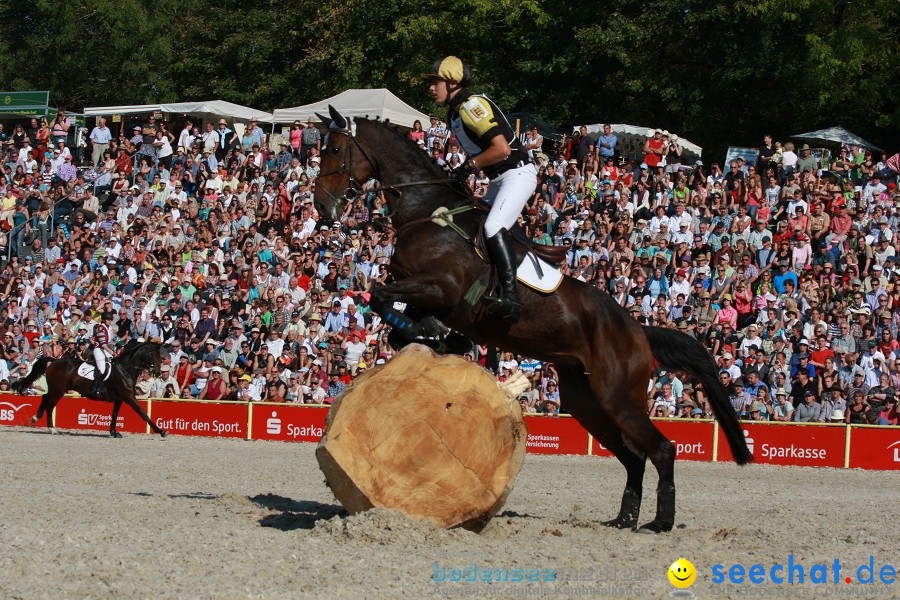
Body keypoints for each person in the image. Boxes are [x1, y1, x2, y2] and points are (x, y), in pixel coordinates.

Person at [423, 56, 536, 322]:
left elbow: (502, 149)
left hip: (517, 174)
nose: (431, 88)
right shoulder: (453, 114)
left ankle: (511, 298)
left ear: (452, 83)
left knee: (493, 227)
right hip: (498, 180)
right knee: (471, 233)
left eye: (435, 82)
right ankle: (471, 301)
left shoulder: (472, 106)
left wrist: (469, 166)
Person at [90, 312, 114, 398]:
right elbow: (103, 344)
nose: (109, 321)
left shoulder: (109, 327)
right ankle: (95, 388)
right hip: (98, 349)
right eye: (107, 320)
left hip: (105, 349)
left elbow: (108, 342)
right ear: (103, 320)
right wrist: (113, 353)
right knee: (102, 369)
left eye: (110, 320)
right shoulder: (100, 328)